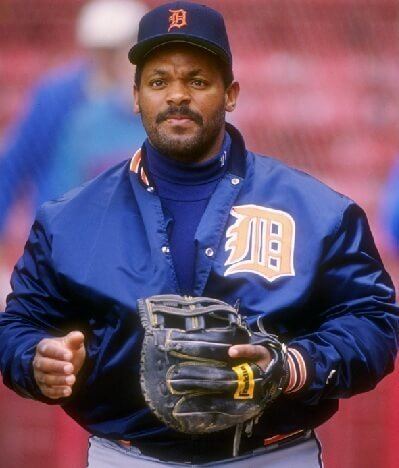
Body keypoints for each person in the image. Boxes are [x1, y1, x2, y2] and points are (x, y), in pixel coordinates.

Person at [0, 2, 398, 467]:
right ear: (135, 96)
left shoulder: (315, 210)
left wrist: (294, 365)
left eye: (197, 80)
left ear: (230, 94)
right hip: (126, 457)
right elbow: (19, 327)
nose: (176, 96)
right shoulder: (68, 218)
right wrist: (35, 360)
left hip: (272, 455)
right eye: (158, 81)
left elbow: (375, 321)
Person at [0, 0, 148, 236]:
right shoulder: (56, 96)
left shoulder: (153, 99)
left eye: (118, 47)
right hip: (62, 227)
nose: (109, 57)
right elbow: (16, 163)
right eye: (103, 48)